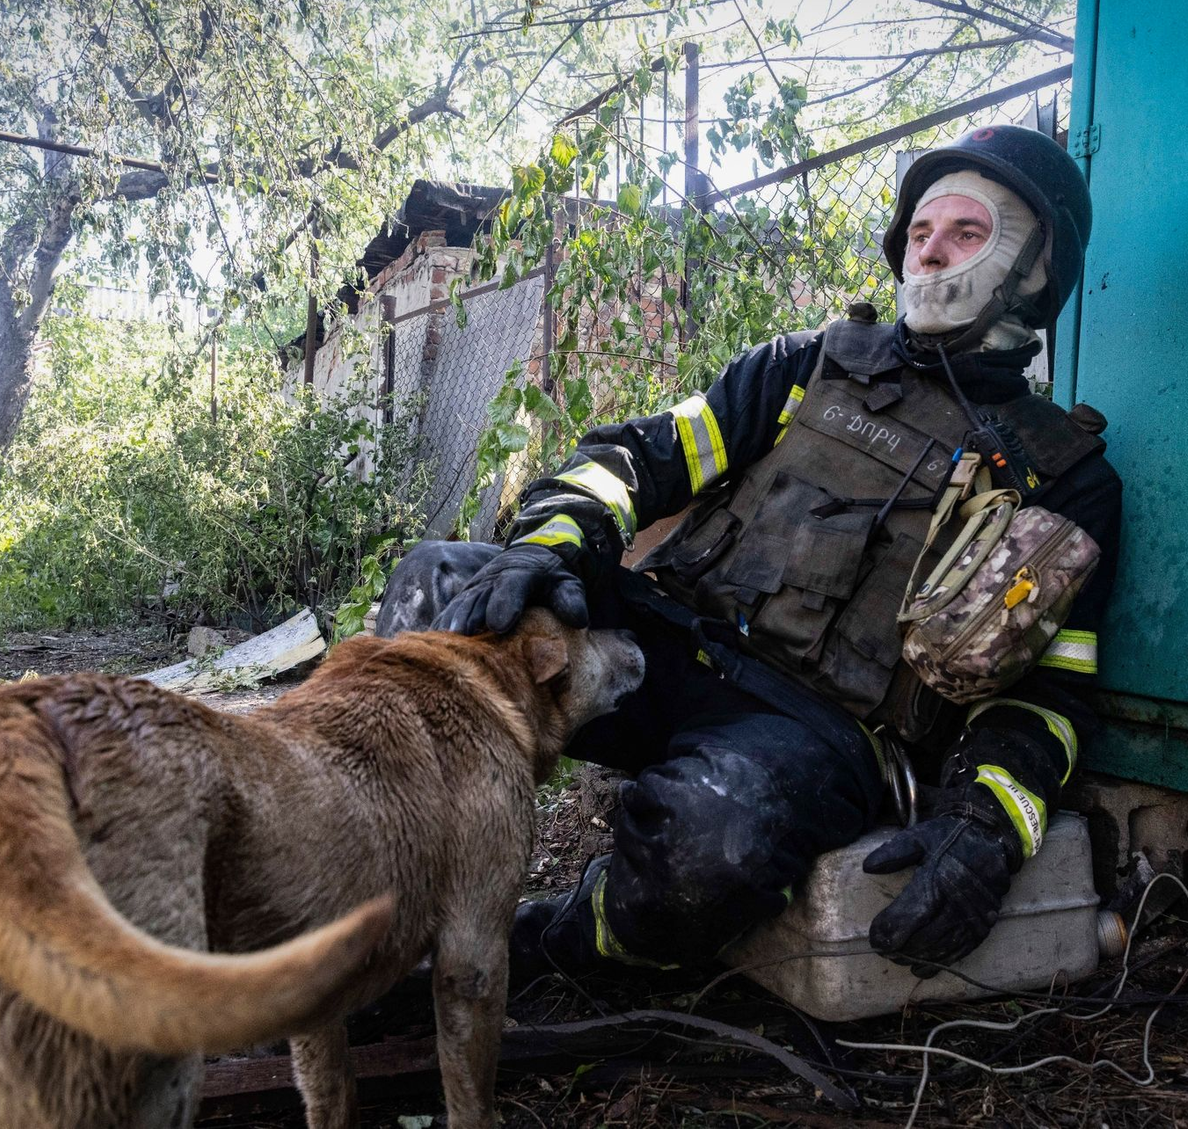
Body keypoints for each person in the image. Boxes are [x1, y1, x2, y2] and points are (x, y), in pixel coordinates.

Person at [378, 124, 1121, 981]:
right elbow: (638, 460)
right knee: (440, 585)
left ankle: (550, 943)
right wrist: (549, 547)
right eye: (919, 230)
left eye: (965, 232)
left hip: (813, 736)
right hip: (664, 650)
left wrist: (988, 826)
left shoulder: (1063, 476)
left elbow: (1049, 698)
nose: (929, 252)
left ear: (1034, 267)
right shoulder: (809, 364)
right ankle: (380, 901)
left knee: (711, 841)